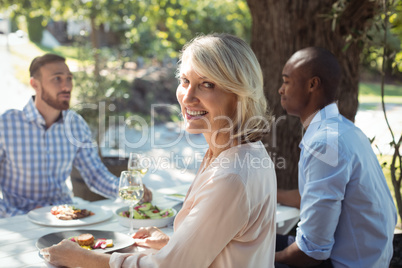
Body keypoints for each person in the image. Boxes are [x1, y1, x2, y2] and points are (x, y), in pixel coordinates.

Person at [40, 33, 277, 267]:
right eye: (185, 81)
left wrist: (80, 257)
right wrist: (173, 244)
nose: (188, 97)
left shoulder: (231, 176)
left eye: (207, 84)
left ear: (239, 94)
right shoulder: (246, 153)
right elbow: (225, 252)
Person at [275, 47, 397, 267]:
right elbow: (312, 197)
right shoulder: (345, 130)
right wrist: (271, 194)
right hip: (370, 258)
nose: (280, 90)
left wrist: (257, 260)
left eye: (286, 81)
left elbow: (311, 251)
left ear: (312, 85)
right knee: (245, 241)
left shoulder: (324, 143)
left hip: (344, 263)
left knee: (236, 253)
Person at [0, 54, 152, 217]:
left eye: (69, 78)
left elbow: (95, 175)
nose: (67, 87)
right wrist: (17, 215)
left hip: (65, 216)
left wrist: (127, 190)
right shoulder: (7, 125)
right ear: (34, 84)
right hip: (19, 219)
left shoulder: (76, 125)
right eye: (57, 79)